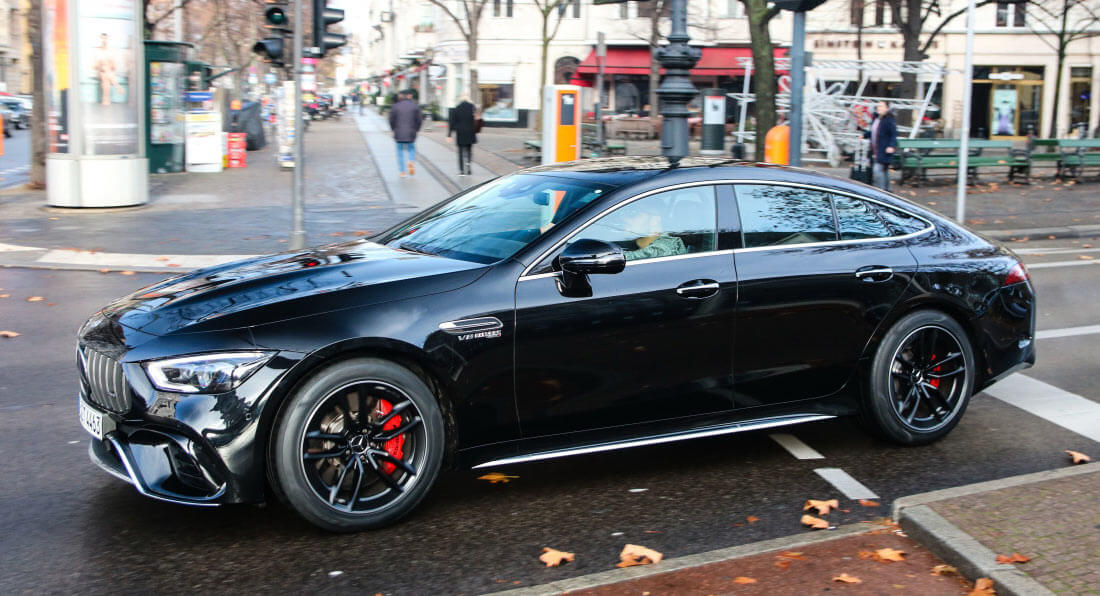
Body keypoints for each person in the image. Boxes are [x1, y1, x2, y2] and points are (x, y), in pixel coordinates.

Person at [621, 207, 686, 261]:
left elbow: (620, 258)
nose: (623, 218)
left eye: (633, 213)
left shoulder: (663, 249)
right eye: (624, 212)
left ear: (655, 220)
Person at [388, 90, 422, 178]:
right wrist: (417, 129)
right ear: (408, 96)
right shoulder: (414, 106)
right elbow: (419, 120)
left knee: (400, 152)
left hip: (399, 132)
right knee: (411, 148)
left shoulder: (395, 106)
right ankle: (411, 161)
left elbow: (391, 119)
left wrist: (393, 129)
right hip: (411, 132)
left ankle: (402, 172)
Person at [866, 101, 898, 191]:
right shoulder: (876, 118)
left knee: (878, 170)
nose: (879, 108)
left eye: (881, 106)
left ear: (887, 108)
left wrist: (891, 146)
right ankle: (887, 190)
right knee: (884, 170)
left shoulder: (889, 119)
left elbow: (893, 134)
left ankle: (880, 191)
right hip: (876, 150)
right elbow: (874, 132)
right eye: (878, 106)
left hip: (884, 150)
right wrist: (865, 135)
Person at [447, 95, 478, 176]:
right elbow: (477, 118)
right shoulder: (472, 107)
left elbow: (452, 122)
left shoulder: (457, 108)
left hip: (460, 132)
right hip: (470, 131)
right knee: (469, 150)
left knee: (460, 152)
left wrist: (449, 134)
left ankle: (461, 171)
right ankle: (468, 166)